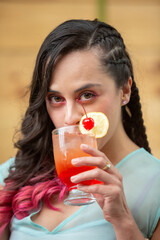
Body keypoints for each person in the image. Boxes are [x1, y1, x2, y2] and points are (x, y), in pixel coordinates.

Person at [0, 19, 160, 240]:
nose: (69, 118)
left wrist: (123, 222)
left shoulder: (155, 186)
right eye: (56, 98)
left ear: (124, 90)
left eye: (86, 95)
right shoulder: (14, 175)